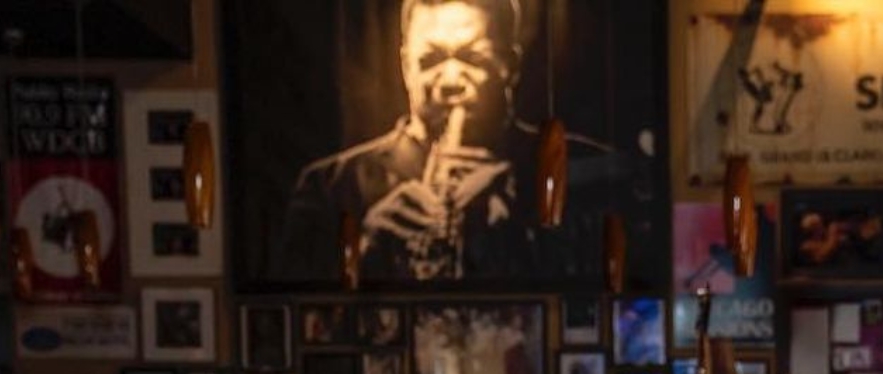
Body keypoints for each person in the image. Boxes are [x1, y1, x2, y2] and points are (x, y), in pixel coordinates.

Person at [277, 0, 648, 285]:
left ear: (511, 67)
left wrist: (522, 229)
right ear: (406, 66)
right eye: (431, 60)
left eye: (473, 59)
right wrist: (368, 246)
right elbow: (293, 318)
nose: (451, 79)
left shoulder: (597, 170)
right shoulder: (327, 184)